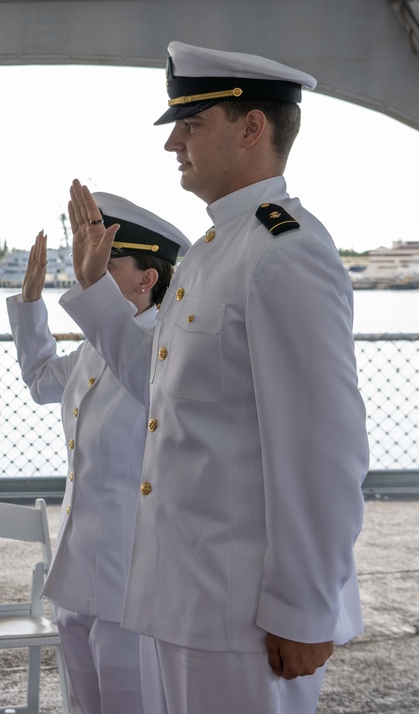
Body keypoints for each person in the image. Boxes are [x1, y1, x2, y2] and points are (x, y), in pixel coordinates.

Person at [61, 42, 369, 714]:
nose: (173, 141)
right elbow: (167, 395)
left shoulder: (285, 253)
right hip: (186, 597)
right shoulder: (210, 254)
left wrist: (303, 607)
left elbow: (324, 451)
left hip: (245, 614)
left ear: (252, 128)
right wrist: (95, 290)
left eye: (192, 123)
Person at [7, 194, 189, 714]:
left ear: (146, 278)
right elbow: (43, 380)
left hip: (132, 577)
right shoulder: (96, 347)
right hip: (78, 570)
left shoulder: (169, 350)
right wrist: (29, 304)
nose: (88, 271)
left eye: (104, 261)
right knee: (84, 704)